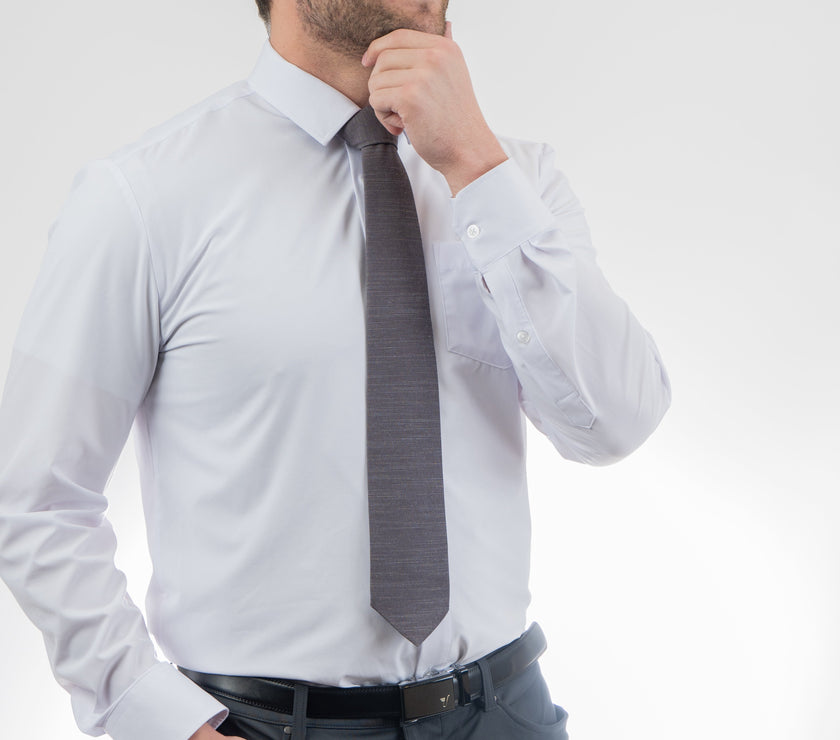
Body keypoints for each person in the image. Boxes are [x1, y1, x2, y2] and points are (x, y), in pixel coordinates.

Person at [0, 1, 671, 738]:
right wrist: (156, 722)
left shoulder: (514, 180)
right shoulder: (144, 198)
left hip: (505, 709)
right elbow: (35, 494)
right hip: (264, 724)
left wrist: (477, 167)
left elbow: (614, 423)